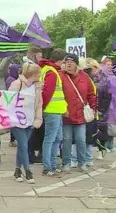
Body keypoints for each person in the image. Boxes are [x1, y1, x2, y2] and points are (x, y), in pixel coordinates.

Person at [59, 54, 97, 173]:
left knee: (81, 140)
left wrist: (93, 108)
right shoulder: (60, 76)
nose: (69, 64)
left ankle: (82, 163)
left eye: (71, 61)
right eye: (66, 62)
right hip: (66, 115)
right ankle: (66, 163)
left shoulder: (84, 77)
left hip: (81, 115)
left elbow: (91, 94)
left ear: (76, 64)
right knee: (67, 140)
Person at [9, 63, 42, 184]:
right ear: (34, 74)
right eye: (39, 73)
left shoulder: (37, 86)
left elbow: (39, 104)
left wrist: (38, 119)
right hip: (17, 121)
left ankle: (17, 170)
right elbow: (8, 101)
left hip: (30, 120)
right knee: (23, 145)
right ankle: (28, 171)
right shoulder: (17, 84)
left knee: (22, 146)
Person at [39, 48, 67, 177]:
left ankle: (52, 164)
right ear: (61, 61)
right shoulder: (52, 72)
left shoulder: (49, 70)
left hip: (56, 110)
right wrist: (43, 108)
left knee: (57, 138)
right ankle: (48, 166)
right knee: (50, 139)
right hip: (52, 110)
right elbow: (48, 93)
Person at [24, 47, 44, 163]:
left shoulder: (34, 66)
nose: (41, 59)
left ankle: (31, 154)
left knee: (34, 130)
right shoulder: (29, 66)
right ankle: (29, 155)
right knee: (30, 131)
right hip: (30, 103)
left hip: (35, 102)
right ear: (33, 55)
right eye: (39, 57)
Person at [5, 63, 20, 147]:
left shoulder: (11, 78)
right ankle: (12, 140)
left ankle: (13, 139)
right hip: (13, 104)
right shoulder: (11, 80)